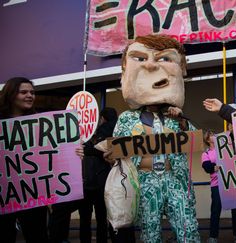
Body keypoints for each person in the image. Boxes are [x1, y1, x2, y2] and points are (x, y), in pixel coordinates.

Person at [106, 34, 200, 243]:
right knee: (150, 233)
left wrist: (182, 120)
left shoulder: (176, 116)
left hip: (174, 179)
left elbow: (194, 141)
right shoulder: (127, 118)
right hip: (145, 180)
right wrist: (110, 154)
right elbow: (116, 151)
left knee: (188, 228)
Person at [0, 77, 49, 243]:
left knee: (37, 236)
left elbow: (53, 154)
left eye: (32, 92)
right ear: (11, 94)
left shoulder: (41, 124)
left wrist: (73, 152)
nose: (30, 95)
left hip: (32, 194)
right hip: (4, 193)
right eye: (24, 92)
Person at [201, 130, 236, 243]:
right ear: (207, 139)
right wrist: (214, 167)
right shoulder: (206, 154)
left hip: (230, 183)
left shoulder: (225, 149)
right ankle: (213, 237)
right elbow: (206, 166)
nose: (214, 136)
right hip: (217, 185)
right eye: (211, 135)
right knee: (216, 210)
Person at [79, 107, 118, 243]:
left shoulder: (94, 136)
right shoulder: (116, 132)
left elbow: (92, 150)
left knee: (85, 219)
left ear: (102, 118)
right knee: (102, 218)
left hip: (86, 182)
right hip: (103, 182)